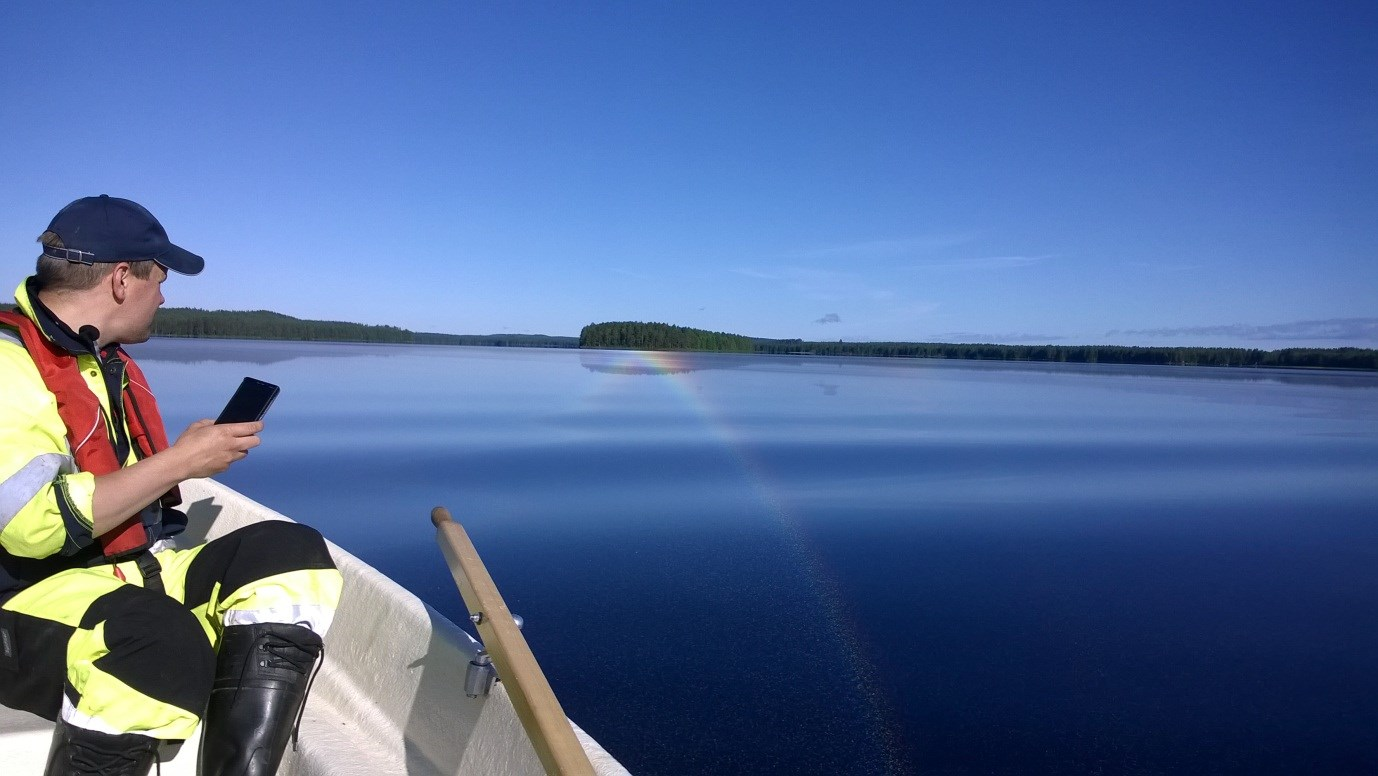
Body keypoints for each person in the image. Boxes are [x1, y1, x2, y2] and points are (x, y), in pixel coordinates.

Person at [0, 195, 343, 776]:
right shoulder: (10, 365)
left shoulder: (99, 358)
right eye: (160, 278)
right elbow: (28, 526)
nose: (164, 295)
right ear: (120, 278)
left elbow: (117, 485)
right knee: (160, 645)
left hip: (131, 573)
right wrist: (178, 463)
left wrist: (188, 458)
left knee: (291, 554)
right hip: (26, 601)